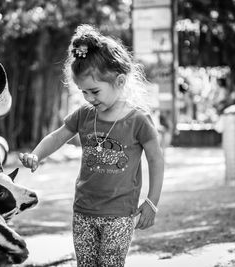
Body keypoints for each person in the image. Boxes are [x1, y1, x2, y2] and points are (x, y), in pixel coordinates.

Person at [18, 24, 164, 267]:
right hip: (83, 211)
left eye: (94, 91)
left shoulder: (138, 120)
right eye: (83, 92)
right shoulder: (85, 114)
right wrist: (36, 155)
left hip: (119, 215)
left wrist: (152, 202)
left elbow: (156, 160)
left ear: (119, 81)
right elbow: (58, 136)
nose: (89, 98)